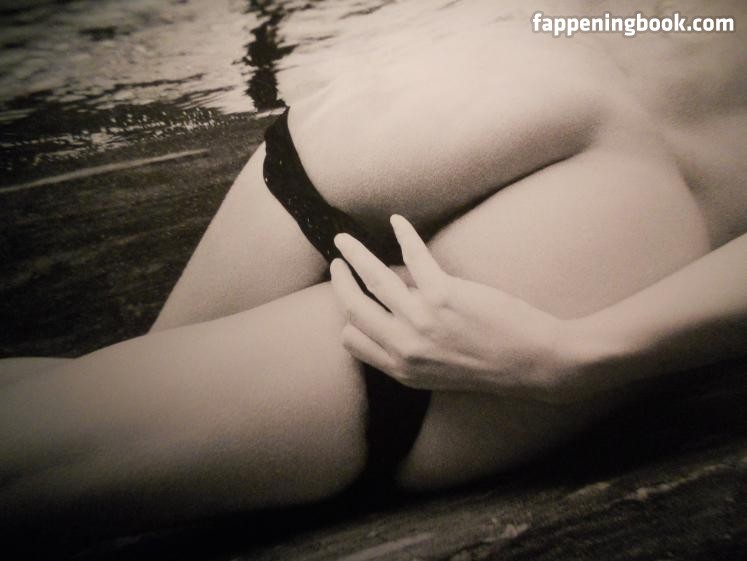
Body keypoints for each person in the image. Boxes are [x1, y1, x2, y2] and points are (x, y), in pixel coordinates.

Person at [1, 9, 746, 545]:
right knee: (70, 437)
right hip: (574, 183)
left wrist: (578, 353)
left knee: (67, 432)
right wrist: (579, 350)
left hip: (477, 120)